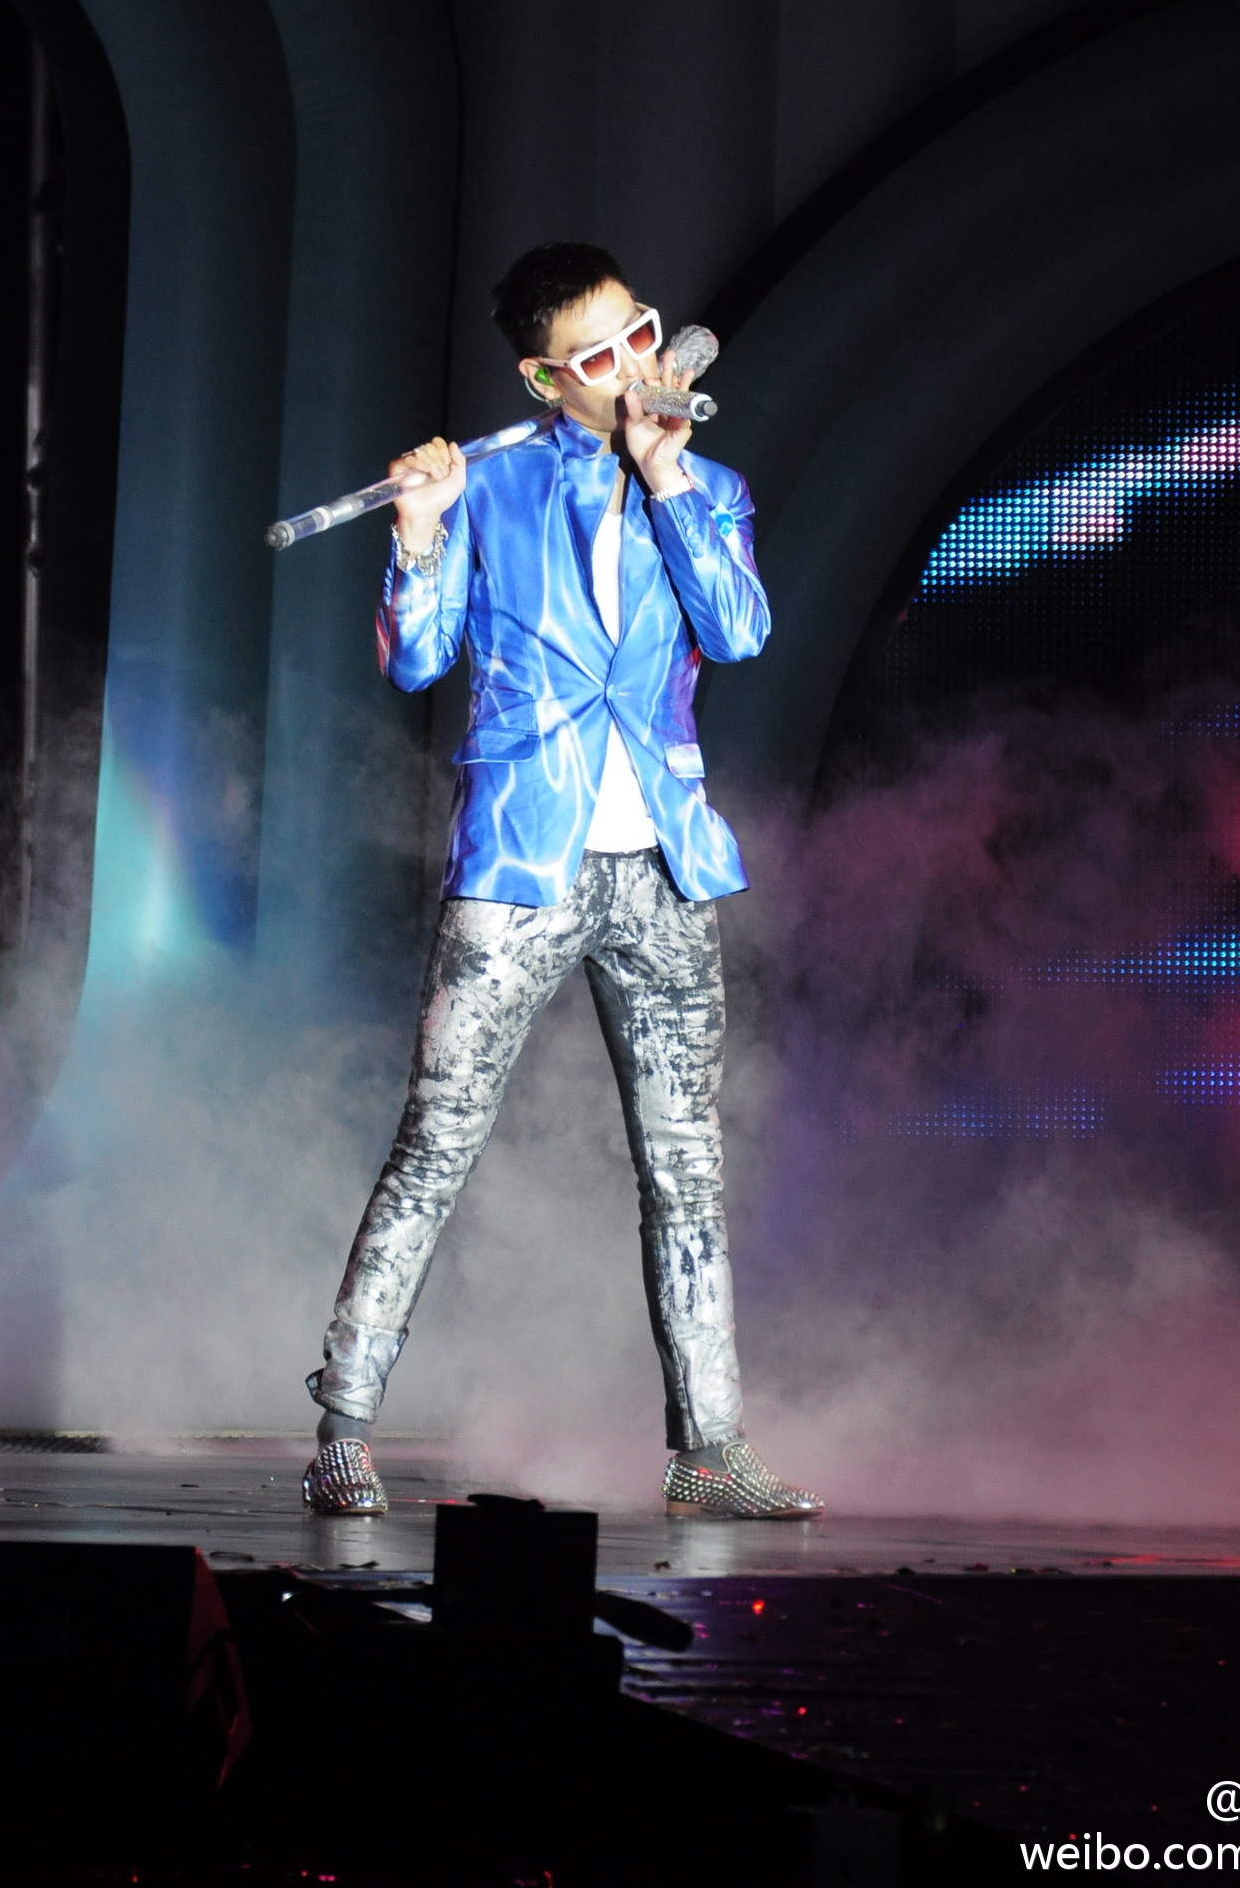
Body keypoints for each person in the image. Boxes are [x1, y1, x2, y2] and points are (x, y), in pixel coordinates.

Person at [302, 241, 822, 1520]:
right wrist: (420, 533)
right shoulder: (490, 484)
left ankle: (710, 1451)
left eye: (642, 333)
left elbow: (740, 630)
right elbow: (416, 663)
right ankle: (343, 1429)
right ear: (545, 378)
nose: (635, 364)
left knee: (687, 1168)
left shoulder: (708, 484)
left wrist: (667, 474)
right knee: (436, 1145)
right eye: (599, 356)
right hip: (520, 864)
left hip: (666, 867)